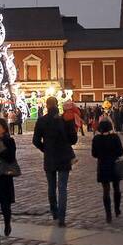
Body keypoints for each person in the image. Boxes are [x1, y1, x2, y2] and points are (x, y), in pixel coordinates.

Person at [33, 96, 78, 227]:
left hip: (50, 157)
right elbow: (73, 140)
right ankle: (62, 218)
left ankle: (54, 212)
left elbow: (35, 141)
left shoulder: (41, 121)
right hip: (64, 157)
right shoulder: (65, 120)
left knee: (51, 187)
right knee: (62, 187)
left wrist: (45, 149)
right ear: (57, 105)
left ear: (46, 106)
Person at [91, 119, 123, 223]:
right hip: (114, 165)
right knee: (116, 188)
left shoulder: (96, 139)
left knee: (106, 190)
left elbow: (94, 154)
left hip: (102, 165)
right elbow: (120, 152)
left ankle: (108, 214)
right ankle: (117, 209)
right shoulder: (115, 137)